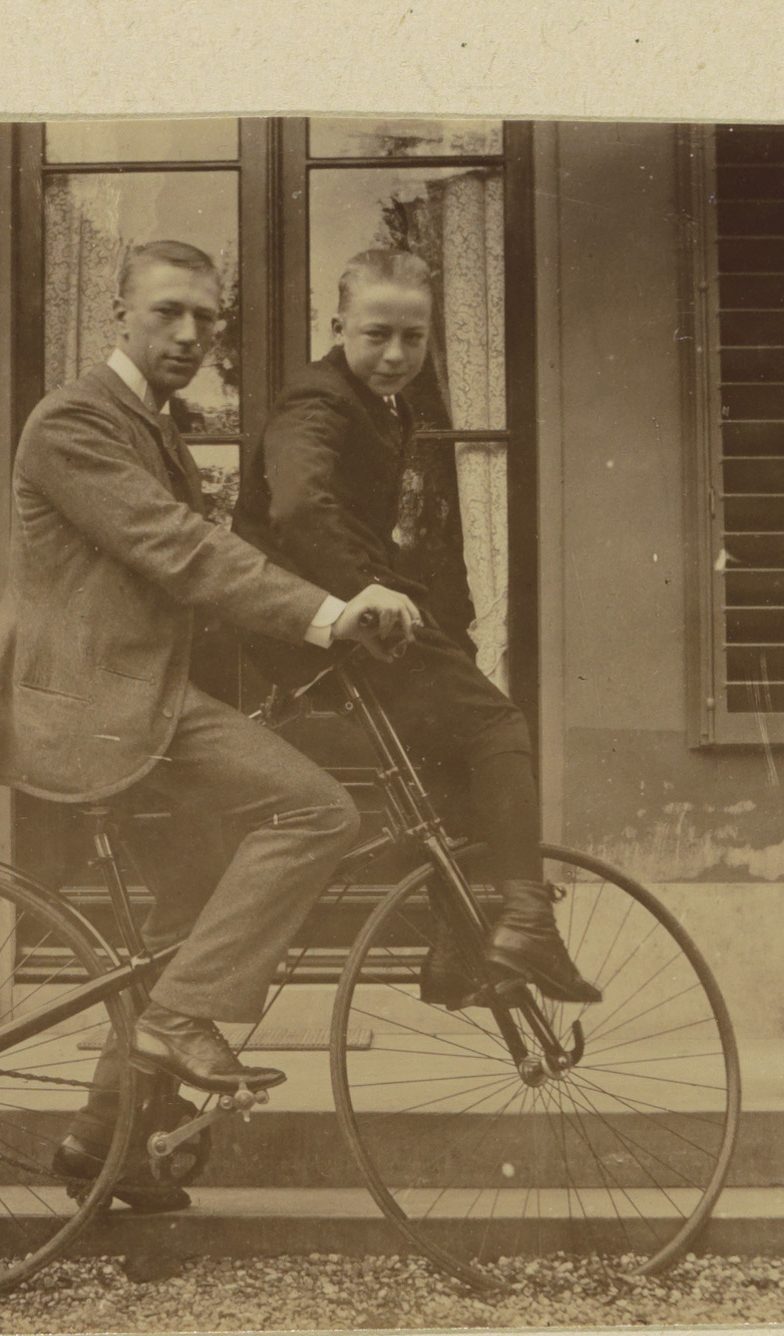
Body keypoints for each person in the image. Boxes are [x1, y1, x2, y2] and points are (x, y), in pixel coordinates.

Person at [0, 239, 419, 1207]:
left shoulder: (155, 424)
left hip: (146, 690)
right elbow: (176, 550)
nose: (189, 334)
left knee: (193, 912)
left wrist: (310, 642)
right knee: (317, 813)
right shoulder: (76, 420)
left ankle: (105, 1140)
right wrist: (325, 614)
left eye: (206, 317)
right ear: (117, 314)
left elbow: (196, 565)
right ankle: (175, 1026)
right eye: (167, 311)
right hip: (98, 703)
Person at [235, 248, 599, 1006]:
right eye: (377, 334)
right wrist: (368, 591)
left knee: (449, 755)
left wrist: (430, 616)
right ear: (338, 327)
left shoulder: (382, 404)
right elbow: (299, 506)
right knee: (496, 723)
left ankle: (458, 948)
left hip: (336, 613)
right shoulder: (318, 400)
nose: (397, 355)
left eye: (414, 337)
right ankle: (527, 921)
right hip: (317, 618)